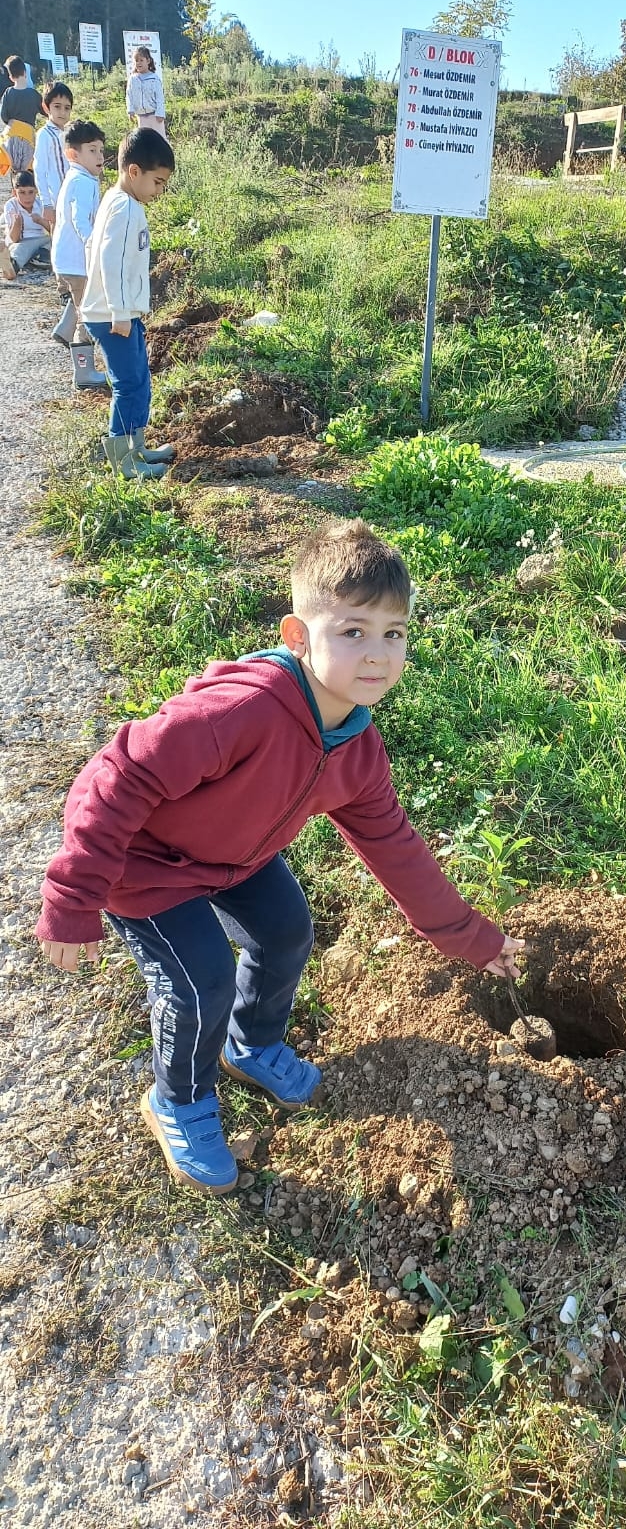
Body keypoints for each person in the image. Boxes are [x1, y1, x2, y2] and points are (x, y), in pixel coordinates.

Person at [36, 519, 524, 1196]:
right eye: (352, 631)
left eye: (394, 633)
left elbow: (395, 848)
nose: (376, 653)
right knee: (198, 981)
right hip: (143, 862)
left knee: (287, 930)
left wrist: (470, 937)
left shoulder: (355, 744)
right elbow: (117, 777)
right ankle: (177, 1100)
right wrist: (73, 894)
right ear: (298, 636)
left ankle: (250, 1044)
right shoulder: (240, 710)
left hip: (237, 858)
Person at [80, 126, 176, 477]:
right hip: (112, 316)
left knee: (139, 380)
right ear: (134, 172)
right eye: (158, 182)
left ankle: (137, 447)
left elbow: (93, 248)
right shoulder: (125, 208)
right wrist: (120, 312)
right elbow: (110, 261)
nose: (160, 191)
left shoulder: (117, 200)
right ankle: (124, 461)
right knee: (127, 383)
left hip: (121, 313)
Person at [50, 119, 107, 389]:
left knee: (79, 299)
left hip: (66, 259)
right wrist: (92, 245)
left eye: (101, 150)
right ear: (74, 154)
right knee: (89, 313)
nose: (100, 157)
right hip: (77, 259)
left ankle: (62, 332)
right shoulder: (83, 183)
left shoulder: (76, 177)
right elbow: (80, 220)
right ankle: (84, 372)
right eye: (93, 150)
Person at [34, 81, 73, 228]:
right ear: (46, 107)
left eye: (66, 108)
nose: (62, 112)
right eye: (57, 106)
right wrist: (46, 203)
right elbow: (39, 169)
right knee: (58, 239)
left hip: (72, 196)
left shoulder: (69, 133)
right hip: (55, 199)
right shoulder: (44, 135)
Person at [3, 169, 52, 274]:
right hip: (23, 241)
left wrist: (41, 221)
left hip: (41, 240)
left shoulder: (41, 204)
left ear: (36, 191)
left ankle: (41, 258)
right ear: (14, 193)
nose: (27, 197)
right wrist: (17, 224)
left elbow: (53, 230)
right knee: (19, 251)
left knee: (54, 242)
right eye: (22, 193)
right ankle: (11, 267)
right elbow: (14, 239)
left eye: (31, 192)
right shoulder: (11, 206)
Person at [0, 56, 43, 174]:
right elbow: (45, 111)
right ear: (25, 72)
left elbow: (3, 116)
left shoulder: (8, 93)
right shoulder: (34, 94)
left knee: (14, 171)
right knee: (28, 172)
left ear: (10, 77)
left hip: (11, 135)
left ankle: (15, 190)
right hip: (28, 136)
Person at [126, 47, 167, 139]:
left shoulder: (154, 78)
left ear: (148, 61)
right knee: (145, 140)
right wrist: (130, 110)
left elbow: (160, 97)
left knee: (159, 140)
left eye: (141, 60)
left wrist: (160, 113)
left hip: (154, 116)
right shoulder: (133, 79)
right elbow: (129, 95)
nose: (139, 63)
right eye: (136, 60)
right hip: (141, 117)